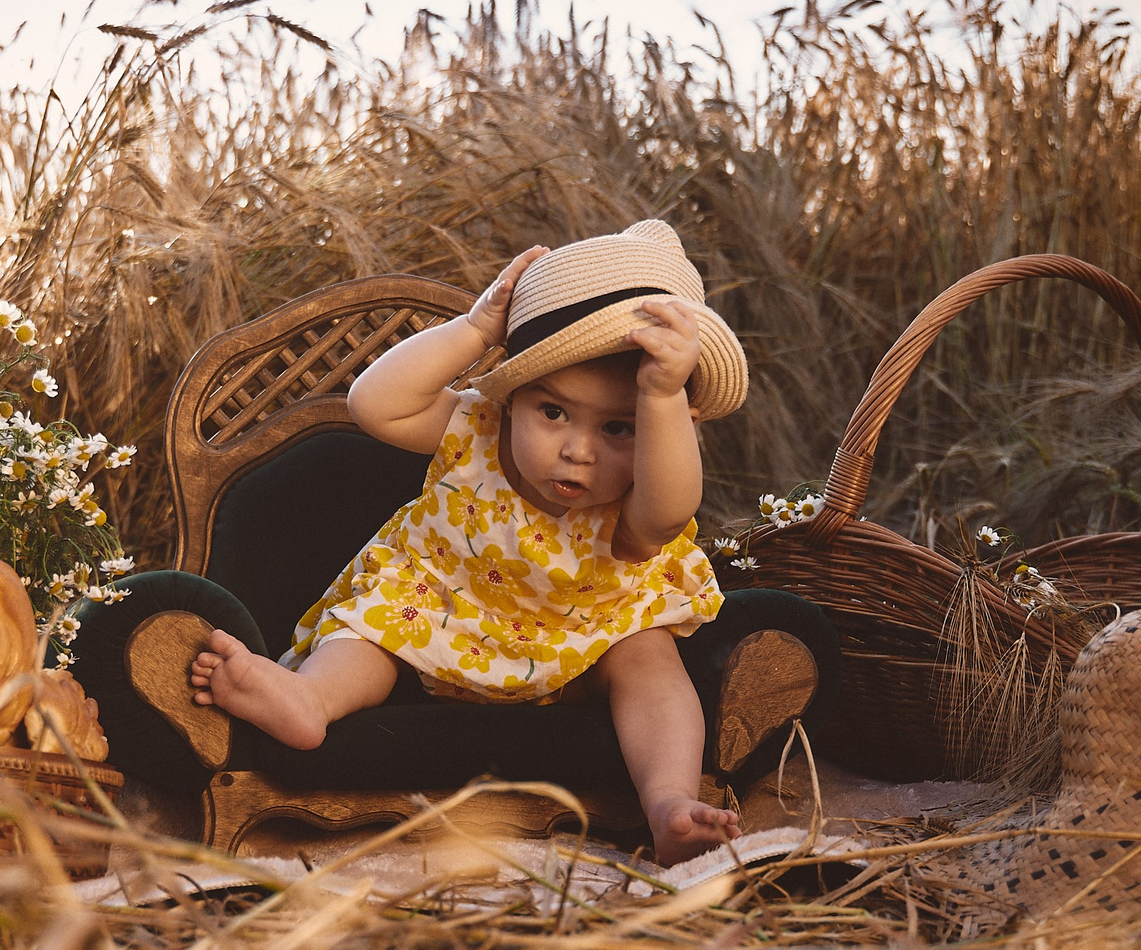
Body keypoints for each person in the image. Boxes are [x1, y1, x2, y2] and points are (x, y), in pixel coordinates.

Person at [188, 219, 752, 862]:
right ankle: (310, 699)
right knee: (372, 630)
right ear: (512, 399)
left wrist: (662, 399)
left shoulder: (643, 497)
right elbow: (375, 405)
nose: (576, 451)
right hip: (438, 606)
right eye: (553, 412)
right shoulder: (476, 428)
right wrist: (477, 330)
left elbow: (669, 514)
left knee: (648, 658)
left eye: (619, 428)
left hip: (589, 631)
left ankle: (670, 803)